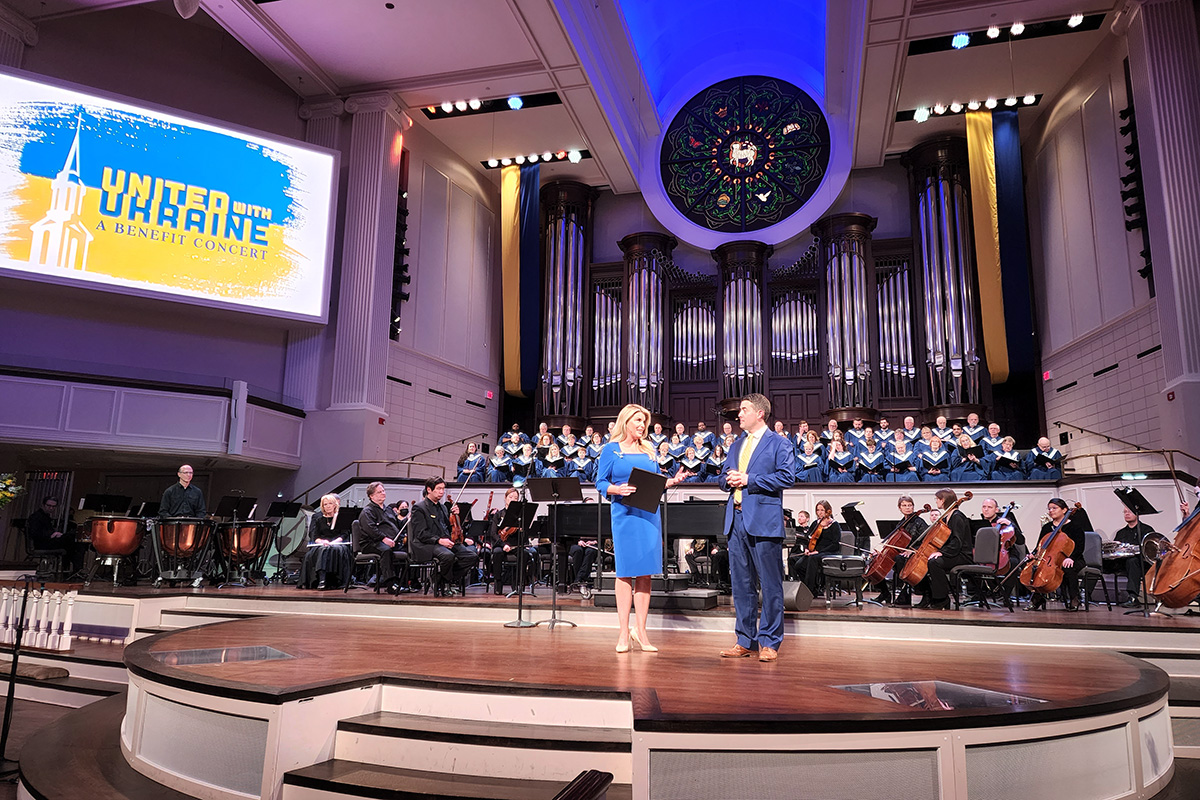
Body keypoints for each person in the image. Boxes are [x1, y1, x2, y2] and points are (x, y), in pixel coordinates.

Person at [595, 403, 685, 654]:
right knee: (625, 572)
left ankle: (641, 631)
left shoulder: (649, 450)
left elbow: (656, 482)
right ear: (625, 421)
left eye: (644, 422)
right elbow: (600, 482)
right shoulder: (611, 450)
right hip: (624, 513)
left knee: (645, 572)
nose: (642, 425)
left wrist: (673, 481)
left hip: (648, 513)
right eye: (637, 420)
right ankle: (624, 632)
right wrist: (617, 489)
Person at [718, 393, 795, 663]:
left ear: (760, 413)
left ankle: (770, 642)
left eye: (744, 410)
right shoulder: (736, 445)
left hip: (763, 520)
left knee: (771, 585)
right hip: (736, 519)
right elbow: (722, 478)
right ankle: (745, 640)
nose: (739, 414)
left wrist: (749, 479)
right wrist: (728, 480)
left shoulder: (779, 443)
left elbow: (787, 477)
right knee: (741, 585)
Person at [410, 476, 478, 596]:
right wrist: (439, 540)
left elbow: (448, 527)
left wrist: (457, 515)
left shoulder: (442, 507)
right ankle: (445, 582)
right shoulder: (419, 508)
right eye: (438, 488)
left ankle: (440, 578)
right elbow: (420, 533)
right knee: (448, 556)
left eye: (443, 489)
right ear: (429, 490)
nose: (442, 491)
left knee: (471, 556)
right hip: (427, 544)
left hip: (445, 542)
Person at [911, 488, 973, 609]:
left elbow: (957, 542)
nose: (936, 502)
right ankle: (930, 595)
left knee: (935, 562)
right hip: (953, 553)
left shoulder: (957, 517)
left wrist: (941, 553)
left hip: (962, 555)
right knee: (928, 561)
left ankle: (942, 599)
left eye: (937, 499)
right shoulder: (946, 517)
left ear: (943, 500)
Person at [1024, 498, 1086, 611]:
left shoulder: (1075, 527)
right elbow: (1040, 544)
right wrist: (1033, 554)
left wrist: (1071, 558)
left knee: (1069, 568)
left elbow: (1080, 547)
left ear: (1064, 510)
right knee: (1035, 569)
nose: (1051, 511)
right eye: (1049, 509)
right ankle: (1037, 598)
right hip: (1050, 559)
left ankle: (1074, 598)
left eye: (1054, 508)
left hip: (1074, 558)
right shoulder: (1047, 527)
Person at [870, 495, 928, 604]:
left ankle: (908, 593)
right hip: (902, 553)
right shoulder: (901, 523)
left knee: (899, 559)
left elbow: (925, 540)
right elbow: (894, 542)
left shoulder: (919, 522)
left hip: (915, 553)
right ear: (899, 508)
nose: (907, 508)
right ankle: (884, 592)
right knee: (875, 559)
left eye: (910, 505)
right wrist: (881, 550)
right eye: (904, 505)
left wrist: (912, 550)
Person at [486, 488, 537, 595]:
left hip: (515, 544)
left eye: (516, 498)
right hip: (500, 544)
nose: (513, 500)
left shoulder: (519, 517)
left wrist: (523, 530)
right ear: (505, 498)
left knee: (525, 554)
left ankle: (517, 584)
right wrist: (503, 544)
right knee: (497, 553)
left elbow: (524, 536)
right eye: (510, 497)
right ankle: (498, 583)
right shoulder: (499, 515)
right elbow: (493, 533)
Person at [299, 494, 352, 590]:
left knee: (332, 549)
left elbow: (344, 534)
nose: (327, 506)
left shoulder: (341, 518)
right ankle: (322, 578)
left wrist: (334, 542)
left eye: (330, 503)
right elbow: (315, 536)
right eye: (325, 504)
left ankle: (331, 580)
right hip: (322, 544)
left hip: (338, 543)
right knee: (323, 549)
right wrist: (323, 541)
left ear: (335, 505)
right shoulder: (319, 520)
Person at [358, 482, 403, 586]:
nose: (383, 493)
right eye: (379, 492)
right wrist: (384, 538)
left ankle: (404, 583)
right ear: (371, 496)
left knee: (408, 549)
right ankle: (390, 584)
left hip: (390, 541)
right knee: (386, 550)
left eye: (383, 491)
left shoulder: (388, 510)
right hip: (371, 543)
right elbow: (370, 529)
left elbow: (396, 524)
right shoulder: (368, 511)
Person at [793, 500, 841, 597]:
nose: (819, 512)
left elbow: (835, 544)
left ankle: (809, 591)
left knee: (812, 559)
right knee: (798, 565)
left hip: (829, 551)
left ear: (828, 511)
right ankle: (813, 588)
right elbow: (808, 538)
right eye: (818, 510)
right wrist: (807, 549)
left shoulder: (834, 524)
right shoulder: (816, 523)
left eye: (822, 510)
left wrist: (818, 551)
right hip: (814, 552)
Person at [25, 496, 84, 574]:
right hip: (42, 543)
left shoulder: (46, 516)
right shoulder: (36, 517)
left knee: (74, 543)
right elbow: (34, 533)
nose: (51, 508)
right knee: (73, 540)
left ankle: (72, 569)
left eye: (53, 506)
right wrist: (51, 535)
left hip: (48, 542)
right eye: (49, 506)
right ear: (43, 505)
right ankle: (75, 570)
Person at [1110, 507, 1155, 607]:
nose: (1126, 514)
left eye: (1129, 512)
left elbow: (1151, 550)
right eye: (1125, 512)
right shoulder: (1121, 533)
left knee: (1132, 561)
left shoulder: (1146, 530)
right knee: (1103, 562)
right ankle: (1085, 594)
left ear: (1137, 513)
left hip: (1142, 563)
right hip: (1123, 563)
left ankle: (1133, 597)